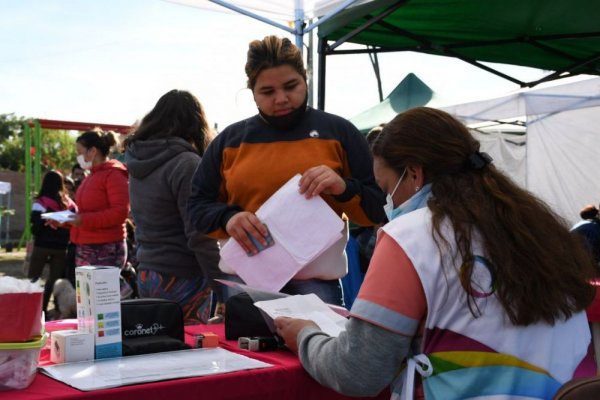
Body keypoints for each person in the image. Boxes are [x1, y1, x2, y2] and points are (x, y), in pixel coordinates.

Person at [275, 107, 597, 399]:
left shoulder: (411, 236)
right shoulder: (534, 225)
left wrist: (306, 335)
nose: (388, 204)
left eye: (387, 190)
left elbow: (358, 372)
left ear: (415, 175)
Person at [188, 35, 386, 306]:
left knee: (318, 351)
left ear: (305, 79)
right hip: (248, 283)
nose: (281, 99)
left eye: (291, 86)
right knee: (243, 351)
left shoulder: (340, 132)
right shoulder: (229, 141)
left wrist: (343, 187)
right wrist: (228, 218)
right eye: (267, 92)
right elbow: (197, 208)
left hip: (317, 286)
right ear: (252, 92)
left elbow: (377, 209)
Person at [125, 89, 223, 324]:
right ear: (196, 123)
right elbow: (199, 234)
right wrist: (223, 286)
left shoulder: (138, 162)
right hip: (183, 276)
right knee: (186, 352)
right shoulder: (186, 164)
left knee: (160, 348)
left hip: (148, 273)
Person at [56, 129, 130, 271]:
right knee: (87, 293)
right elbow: (85, 212)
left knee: (101, 292)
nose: (78, 156)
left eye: (80, 152)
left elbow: (120, 213)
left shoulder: (114, 175)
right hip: (86, 245)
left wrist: (82, 220)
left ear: (92, 151)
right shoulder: (91, 177)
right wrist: (66, 221)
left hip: (105, 248)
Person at [28, 170, 77, 317]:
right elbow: (74, 220)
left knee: (34, 279)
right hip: (61, 248)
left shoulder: (40, 203)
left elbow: (35, 228)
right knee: (53, 281)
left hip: (41, 246)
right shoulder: (68, 203)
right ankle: (45, 310)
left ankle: (32, 310)